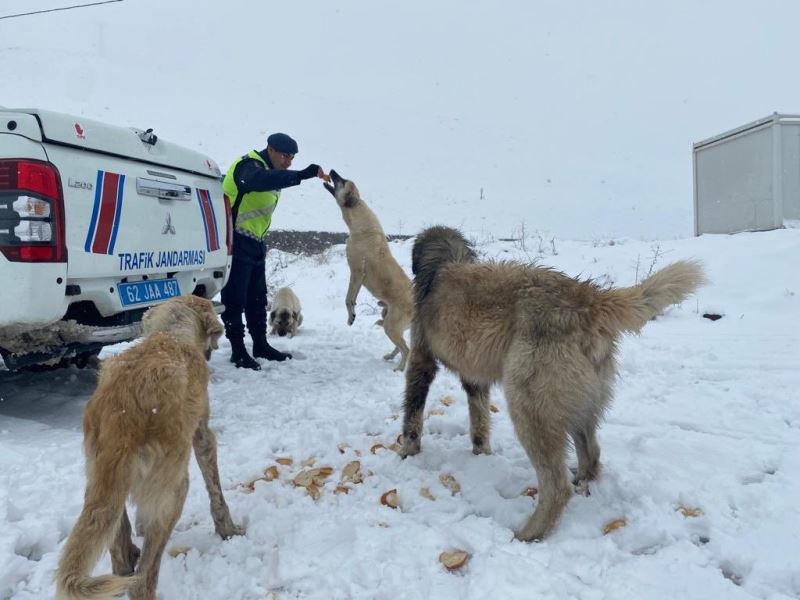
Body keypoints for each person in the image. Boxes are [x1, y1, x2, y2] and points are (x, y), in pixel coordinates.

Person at [221, 132, 326, 370]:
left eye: (292, 158)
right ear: (270, 149)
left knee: (257, 300)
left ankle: (260, 345)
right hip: (235, 240)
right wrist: (301, 175)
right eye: (285, 156)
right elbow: (259, 180)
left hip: (255, 243)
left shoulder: (270, 172)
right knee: (235, 300)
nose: (288, 162)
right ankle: (238, 351)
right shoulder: (248, 166)